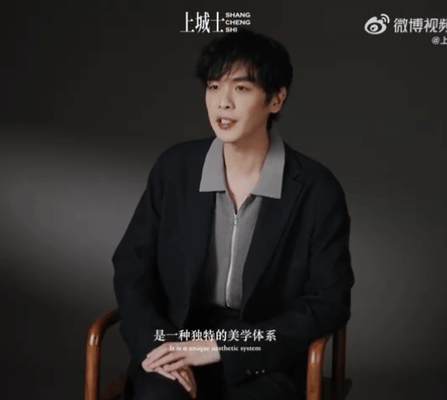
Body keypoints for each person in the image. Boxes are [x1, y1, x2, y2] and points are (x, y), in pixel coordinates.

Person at [113, 29, 354, 400]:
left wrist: (225, 347)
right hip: (176, 343)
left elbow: (328, 301)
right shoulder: (175, 169)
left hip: (264, 356)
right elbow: (133, 267)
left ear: (276, 99)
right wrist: (158, 349)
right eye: (213, 87)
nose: (222, 103)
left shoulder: (317, 189)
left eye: (241, 88)